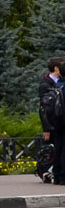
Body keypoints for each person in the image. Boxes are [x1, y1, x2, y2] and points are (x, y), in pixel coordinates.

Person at [38, 57, 65, 186]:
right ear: (56, 68)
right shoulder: (46, 84)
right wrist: (46, 128)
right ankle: (59, 175)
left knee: (59, 147)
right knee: (60, 148)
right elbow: (43, 109)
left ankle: (57, 174)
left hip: (58, 121)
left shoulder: (57, 84)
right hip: (58, 121)